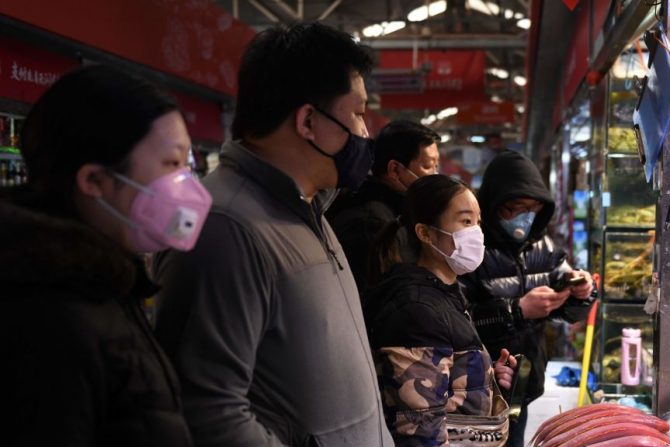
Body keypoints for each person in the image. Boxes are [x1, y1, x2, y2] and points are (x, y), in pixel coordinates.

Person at [152, 22, 393, 447]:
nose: (364, 133)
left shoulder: (308, 209)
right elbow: (209, 411)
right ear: (307, 121)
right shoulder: (225, 226)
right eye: (356, 113)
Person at [0, 65, 211, 446]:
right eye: (171, 164)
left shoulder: (103, 285)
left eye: (187, 165)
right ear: (94, 181)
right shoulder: (49, 319)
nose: (185, 185)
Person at [366, 174, 515, 446]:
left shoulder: (447, 292)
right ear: (425, 233)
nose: (476, 233)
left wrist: (484, 374)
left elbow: (443, 372)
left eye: (478, 222)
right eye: (465, 221)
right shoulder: (416, 309)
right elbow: (419, 429)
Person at [461, 151, 596, 447]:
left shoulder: (543, 245)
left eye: (533, 209)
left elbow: (568, 308)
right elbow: (457, 317)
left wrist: (581, 293)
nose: (525, 216)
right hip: (475, 382)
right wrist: (518, 311)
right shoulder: (470, 247)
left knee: (515, 438)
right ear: (494, 203)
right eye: (516, 208)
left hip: (524, 375)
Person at [327, 119, 440, 294]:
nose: (435, 175)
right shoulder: (370, 224)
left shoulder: (403, 212)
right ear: (395, 169)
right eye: (427, 166)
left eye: (436, 166)